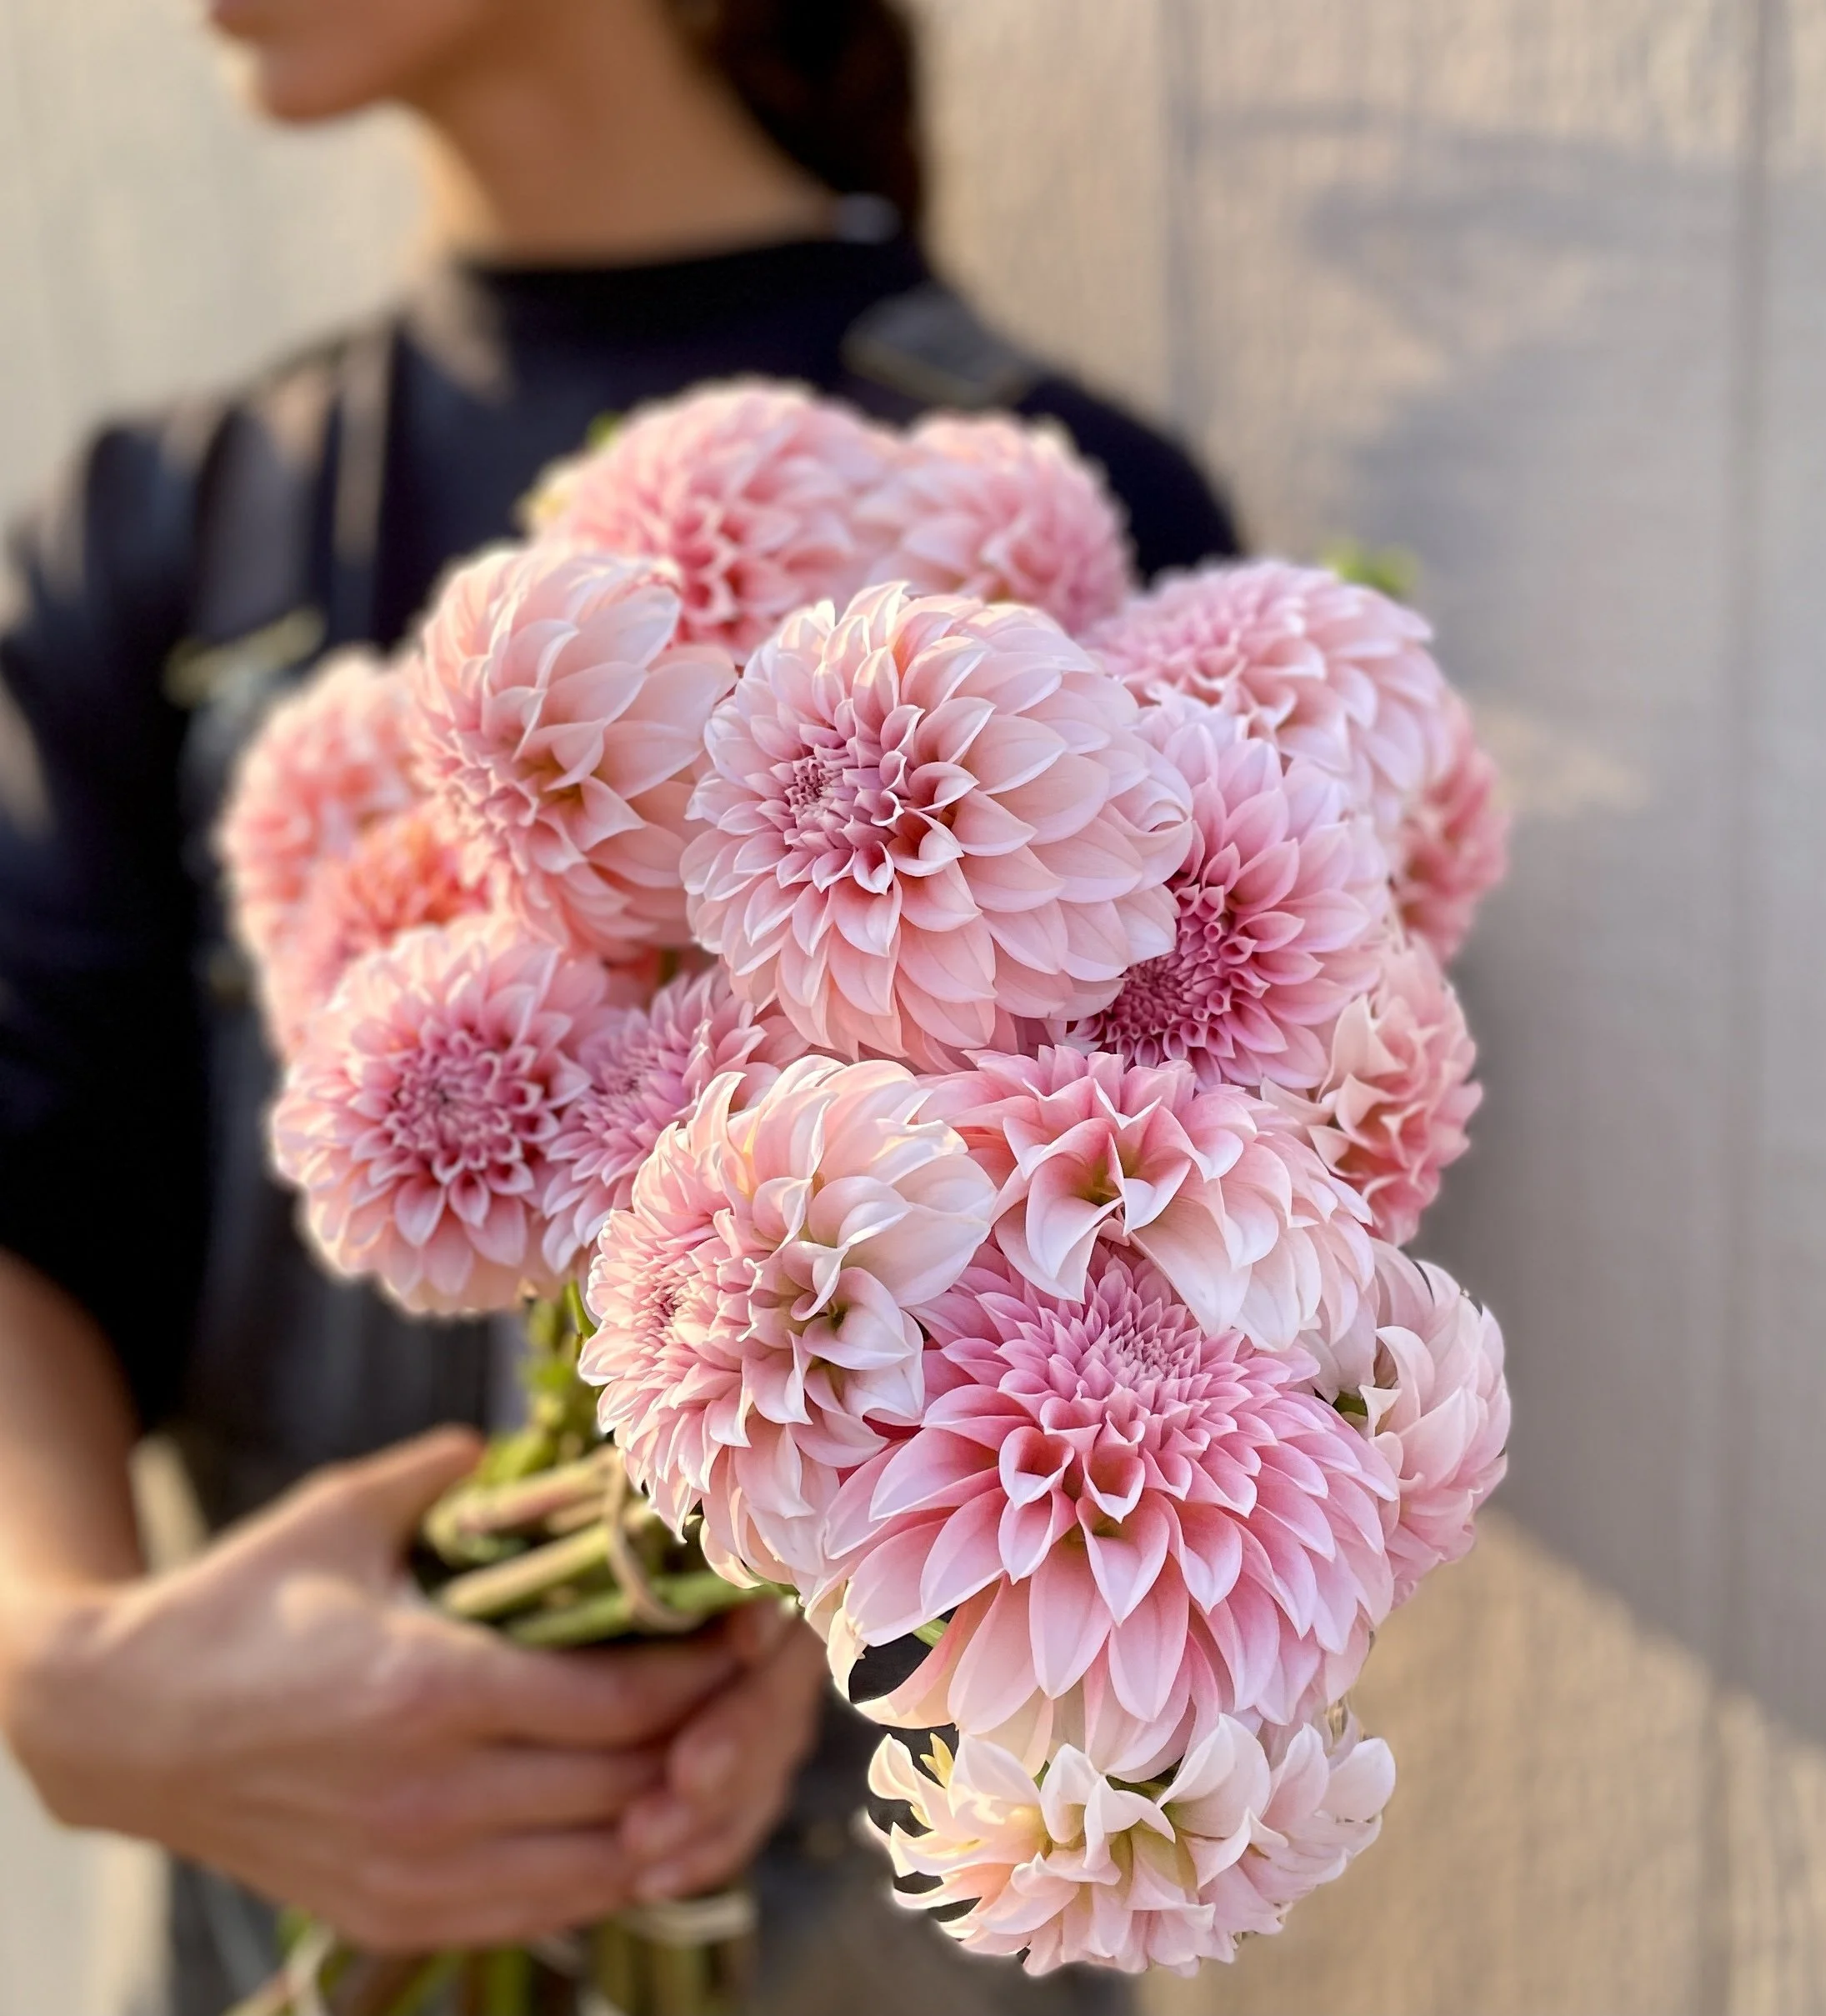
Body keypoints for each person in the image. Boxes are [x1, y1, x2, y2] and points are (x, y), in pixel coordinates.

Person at [0, 2, 1236, 2009]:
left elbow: (1153, 1273)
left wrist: (765, 1575)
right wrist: (62, 1668)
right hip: (273, 1935)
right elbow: (28, 1187)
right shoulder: (167, 532)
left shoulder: (1081, 512)